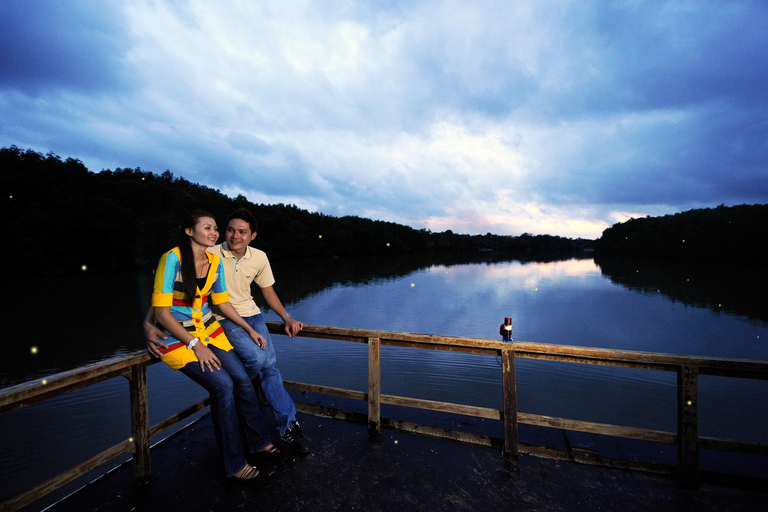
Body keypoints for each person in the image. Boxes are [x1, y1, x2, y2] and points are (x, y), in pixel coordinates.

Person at [145, 208, 310, 454]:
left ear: (252, 236)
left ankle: (287, 425)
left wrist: (286, 316)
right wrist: (148, 322)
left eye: (242, 232)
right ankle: (244, 403)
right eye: (230, 229)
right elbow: (164, 293)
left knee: (269, 367)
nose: (234, 236)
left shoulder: (256, 258)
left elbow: (268, 291)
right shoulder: (207, 250)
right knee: (255, 361)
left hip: (251, 315)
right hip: (221, 319)